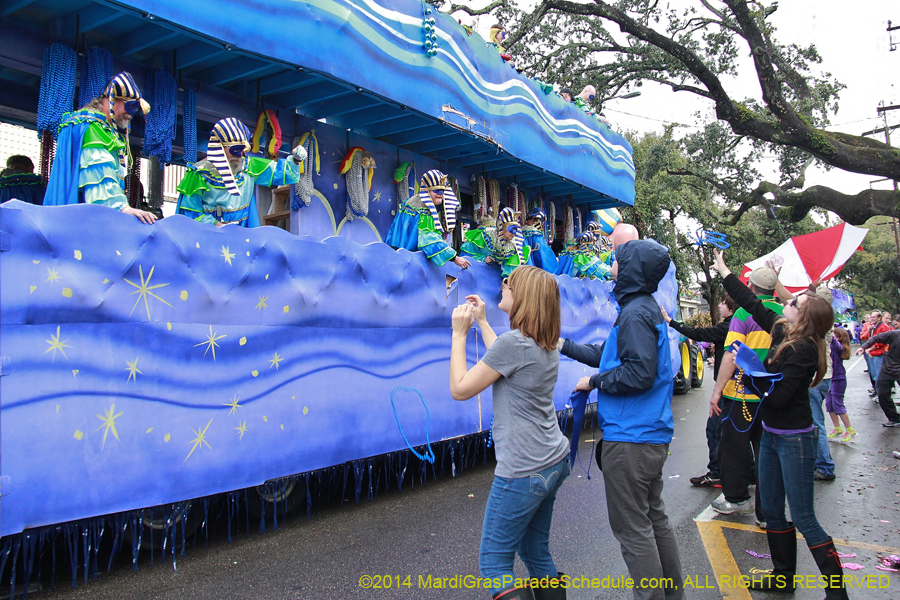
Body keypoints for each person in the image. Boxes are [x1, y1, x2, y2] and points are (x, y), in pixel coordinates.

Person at [712, 250, 849, 599]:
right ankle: (782, 576)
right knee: (772, 509)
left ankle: (837, 590)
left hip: (795, 440)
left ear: (801, 317)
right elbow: (750, 300)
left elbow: (779, 397)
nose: (784, 301)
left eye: (793, 301)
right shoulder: (783, 329)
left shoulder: (802, 348)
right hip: (772, 435)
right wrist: (724, 269)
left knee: (804, 517)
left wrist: (750, 374)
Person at [560, 238, 685, 600]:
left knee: (633, 530)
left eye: (616, 261)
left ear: (631, 269)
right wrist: (562, 344)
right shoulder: (643, 310)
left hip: (631, 439)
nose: (611, 267)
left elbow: (637, 372)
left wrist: (593, 382)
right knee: (653, 520)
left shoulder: (634, 314)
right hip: (649, 436)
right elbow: (610, 356)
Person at [449, 266, 570, 600]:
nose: (503, 286)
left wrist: (460, 334)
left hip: (523, 469)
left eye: (508, 283)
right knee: (535, 553)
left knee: (494, 564)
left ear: (524, 298)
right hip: (554, 460)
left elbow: (460, 389)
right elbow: (502, 361)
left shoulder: (515, 345)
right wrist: (484, 322)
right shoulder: (542, 343)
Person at [709, 267, 782, 523]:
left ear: (750, 287)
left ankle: (738, 499)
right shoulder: (784, 313)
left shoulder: (743, 313)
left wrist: (716, 391)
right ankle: (767, 514)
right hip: (772, 396)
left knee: (733, 451)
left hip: (741, 396)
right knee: (768, 455)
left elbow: (731, 354)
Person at [44, 72, 157, 223]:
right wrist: (122, 208)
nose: (131, 114)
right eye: (129, 106)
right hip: (86, 220)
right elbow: (98, 175)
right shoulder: (92, 128)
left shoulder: (97, 128)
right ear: (111, 100)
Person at [661, 292, 739, 487]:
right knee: (735, 433)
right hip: (737, 388)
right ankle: (748, 471)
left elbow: (699, 334)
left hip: (727, 389)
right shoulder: (739, 326)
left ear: (730, 306)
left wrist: (671, 322)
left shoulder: (728, 327)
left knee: (714, 430)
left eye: (721, 303)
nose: (719, 306)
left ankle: (717, 472)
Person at [175, 118, 305, 227]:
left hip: (243, 240)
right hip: (208, 242)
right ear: (219, 147)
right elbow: (189, 215)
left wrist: (295, 159)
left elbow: (282, 173)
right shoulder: (198, 174)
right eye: (235, 150)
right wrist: (216, 225)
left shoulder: (249, 166)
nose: (239, 155)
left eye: (243, 150)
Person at [384, 169, 470, 269]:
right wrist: (454, 257)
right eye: (436, 190)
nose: (440, 194)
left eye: (442, 190)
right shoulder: (423, 209)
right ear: (427, 190)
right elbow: (428, 238)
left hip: (397, 259)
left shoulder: (411, 204)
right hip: (410, 264)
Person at [461, 207, 531, 278]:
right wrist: (482, 258)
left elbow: (511, 269)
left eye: (516, 229)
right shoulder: (484, 236)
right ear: (502, 228)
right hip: (477, 276)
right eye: (512, 229)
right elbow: (465, 256)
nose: (514, 233)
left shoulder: (513, 246)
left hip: (496, 280)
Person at [858, 324, 900, 427]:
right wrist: (863, 347)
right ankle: (894, 418)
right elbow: (876, 337)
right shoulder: (895, 334)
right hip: (888, 369)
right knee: (882, 395)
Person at [827, 327, 856, 443]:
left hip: (838, 379)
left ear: (837, 337)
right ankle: (837, 428)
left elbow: (833, 341)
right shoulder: (830, 347)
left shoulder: (838, 347)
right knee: (829, 405)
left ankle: (850, 429)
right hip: (830, 378)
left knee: (838, 404)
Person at [522, 208, 558, 274]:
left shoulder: (519, 231)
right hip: (534, 270)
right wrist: (553, 260)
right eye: (541, 221)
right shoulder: (536, 233)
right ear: (536, 220)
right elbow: (543, 252)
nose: (542, 224)